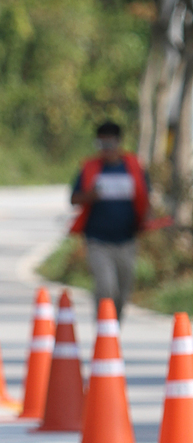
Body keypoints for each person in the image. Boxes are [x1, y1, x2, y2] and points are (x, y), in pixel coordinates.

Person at [70, 120, 149, 320]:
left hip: (127, 240)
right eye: (101, 144)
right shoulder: (90, 168)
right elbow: (73, 198)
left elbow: (146, 198)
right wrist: (90, 196)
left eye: (109, 144)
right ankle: (102, 327)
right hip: (97, 240)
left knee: (122, 292)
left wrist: (147, 220)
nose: (105, 149)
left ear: (119, 142)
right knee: (106, 287)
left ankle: (113, 330)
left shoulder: (134, 167)